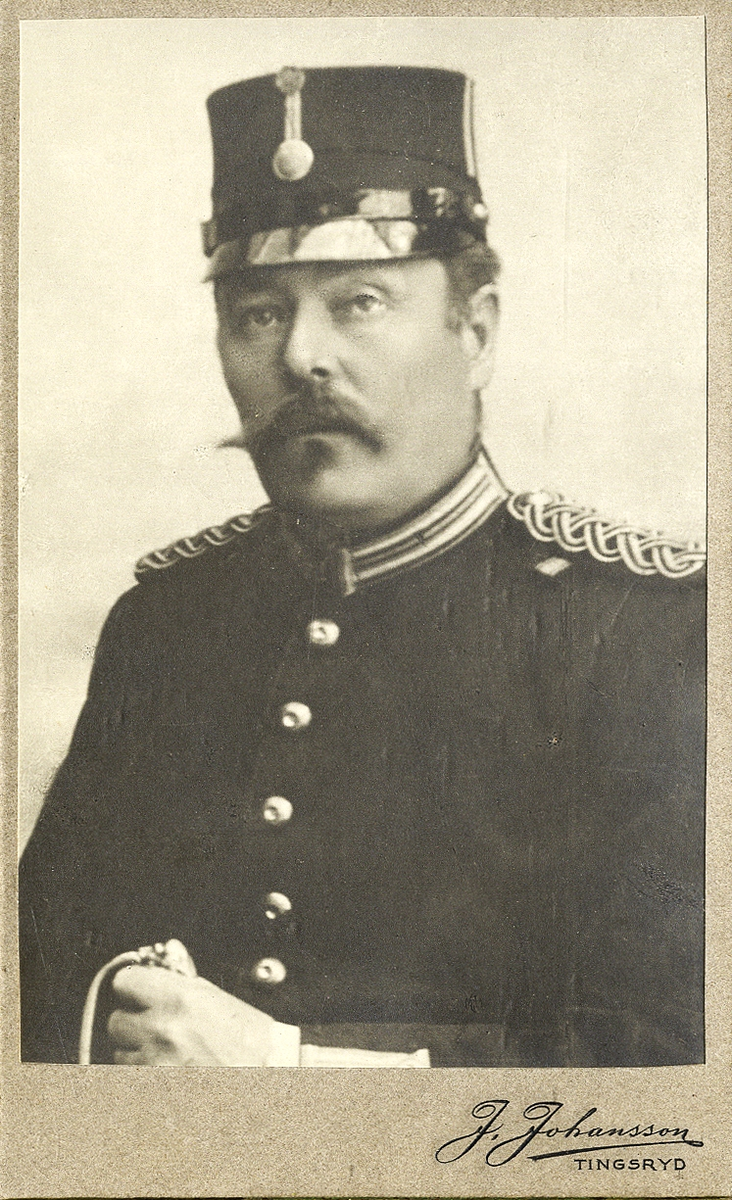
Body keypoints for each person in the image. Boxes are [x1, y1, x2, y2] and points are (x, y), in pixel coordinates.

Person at [19, 65, 706, 1068]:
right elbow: (37, 1006)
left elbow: (677, 1071)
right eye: (258, 313)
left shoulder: (647, 636)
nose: (301, 356)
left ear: (476, 332)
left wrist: (289, 1075)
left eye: (361, 302)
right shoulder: (166, 625)